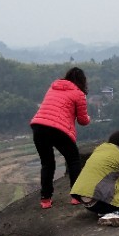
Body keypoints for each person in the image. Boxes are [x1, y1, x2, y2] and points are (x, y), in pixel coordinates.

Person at [30, 66, 91, 209]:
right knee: (73, 159)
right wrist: (89, 118)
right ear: (82, 81)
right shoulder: (78, 94)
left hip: (39, 126)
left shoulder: (53, 87)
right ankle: (76, 197)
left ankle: (45, 199)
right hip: (59, 129)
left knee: (47, 163)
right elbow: (83, 121)